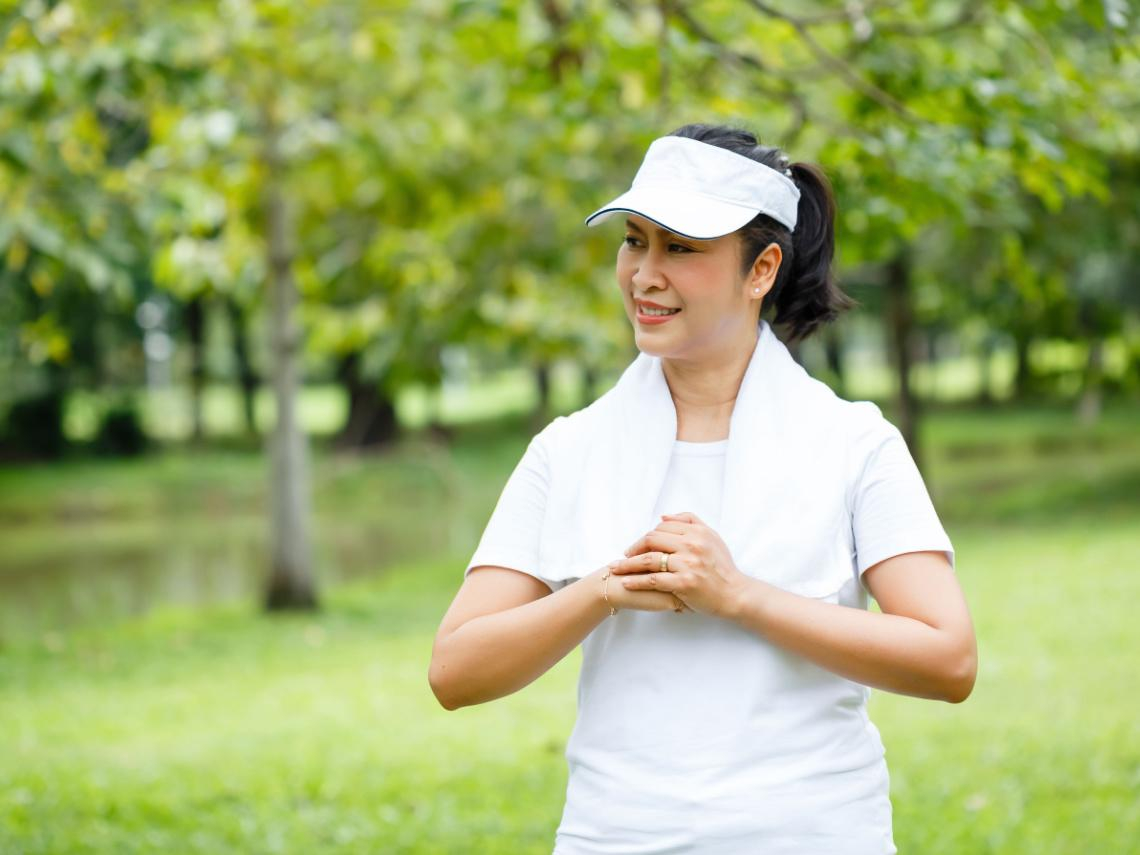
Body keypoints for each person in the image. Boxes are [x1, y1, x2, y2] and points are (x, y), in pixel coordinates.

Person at [429, 123, 977, 855]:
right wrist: (603, 588)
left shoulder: (854, 443)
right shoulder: (568, 449)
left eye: (681, 247)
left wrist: (739, 594)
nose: (645, 274)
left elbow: (949, 658)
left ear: (762, 269)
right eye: (634, 240)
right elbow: (455, 669)